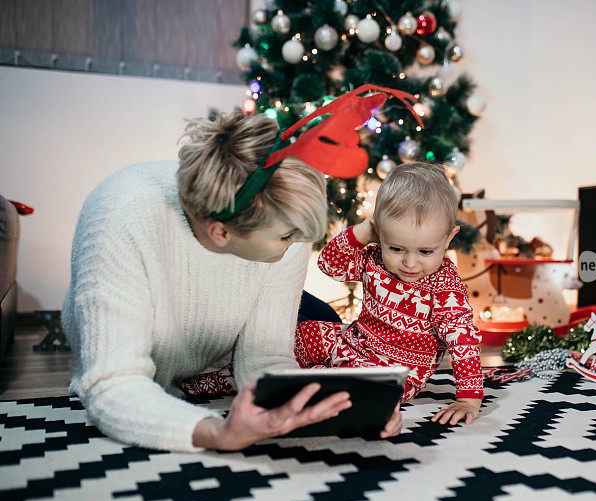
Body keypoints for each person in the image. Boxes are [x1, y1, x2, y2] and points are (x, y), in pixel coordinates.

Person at [62, 108, 401, 452]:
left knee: (324, 322)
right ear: (221, 232)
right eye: (287, 237)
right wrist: (218, 433)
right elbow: (112, 385)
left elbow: (264, 358)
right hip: (167, 331)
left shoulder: (280, 222)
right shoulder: (121, 219)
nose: (301, 244)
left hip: (211, 342)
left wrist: (347, 408)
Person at [295, 161, 484, 425]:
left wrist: (468, 399)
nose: (410, 263)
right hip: (353, 340)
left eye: (425, 252)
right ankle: (240, 377)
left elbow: (462, 343)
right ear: (380, 233)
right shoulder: (375, 260)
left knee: (348, 382)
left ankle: (310, 384)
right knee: (302, 334)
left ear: (449, 238)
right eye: (396, 248)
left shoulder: (444, 287)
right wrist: (361, 232)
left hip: (393, 373)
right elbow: (330, 264)